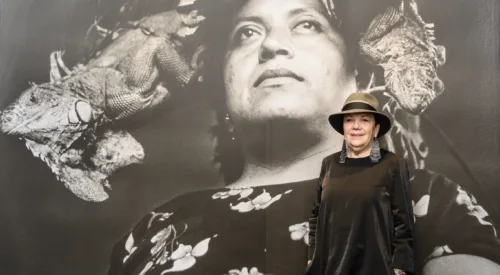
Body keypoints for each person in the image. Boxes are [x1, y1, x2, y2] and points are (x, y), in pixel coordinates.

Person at [105, 0, 500, 274]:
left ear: (360, 79)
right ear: (221, 85)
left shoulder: (420, 198)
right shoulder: (158, 227)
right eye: (246, 33)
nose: (272, 45)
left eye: (307, 24)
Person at [306, 92, 413, 275]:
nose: (356, 126)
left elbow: (403, 224)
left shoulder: (393, 164)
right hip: (329, 269)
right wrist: (312, 257)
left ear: (376, 129)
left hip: (375, 267)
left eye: (364, 120)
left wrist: (400, 267)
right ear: (343, 127)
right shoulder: (329, 164)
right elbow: (316, 215)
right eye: (349, 120)